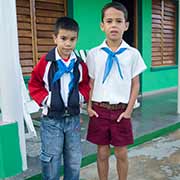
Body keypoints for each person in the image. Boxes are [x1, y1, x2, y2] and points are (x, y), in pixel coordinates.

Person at [86, 2, 147, 180]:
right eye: (109, 21)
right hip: (99, 110)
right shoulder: (94, 54)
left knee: (121, 153)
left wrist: (128, 111)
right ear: (102, 25)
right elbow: (91, 82)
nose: (114, 25)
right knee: (102, 152)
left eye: (119, 21)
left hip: (121, 111)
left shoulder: (133, 54)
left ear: (126, 25)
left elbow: (135, 84)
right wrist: (89, 107)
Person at [28, 16, 90, 180]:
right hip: (51, 121)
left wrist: (81, 97)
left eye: (72, 39)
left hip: (73, 121)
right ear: (55, 38)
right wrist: (46, 100)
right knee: (51, 160)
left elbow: (85, 84)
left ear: (77, 39)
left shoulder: (79, 64)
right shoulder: (46, 62)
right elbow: (34, 84)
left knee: (74, 160)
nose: (68, 44)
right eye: (63, 38)